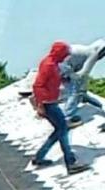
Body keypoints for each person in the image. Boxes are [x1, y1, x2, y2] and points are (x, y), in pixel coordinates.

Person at [31, 41, 89, 175]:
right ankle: (70, 163)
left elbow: (52, 79)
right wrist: (40, 106)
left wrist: (64, 79)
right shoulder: (49, 65)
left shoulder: (52, 63)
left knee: (60, 129)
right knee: (63, 129)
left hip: (50, 102)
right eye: (65, 54)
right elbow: (38, 85)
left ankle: (39, 157)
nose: (66, 57)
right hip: (47, 103)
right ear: (59, 53)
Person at [61, 39, 105, 122]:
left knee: (74, 86)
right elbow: (84, 74)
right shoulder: (93, 54)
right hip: (63, 66)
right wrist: (82, 90)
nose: (101, 57)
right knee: (75, 92)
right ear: (99, 50)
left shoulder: (83, 49)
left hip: (60, 65)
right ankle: (67, 116)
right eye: (102, 54)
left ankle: (82, 97)